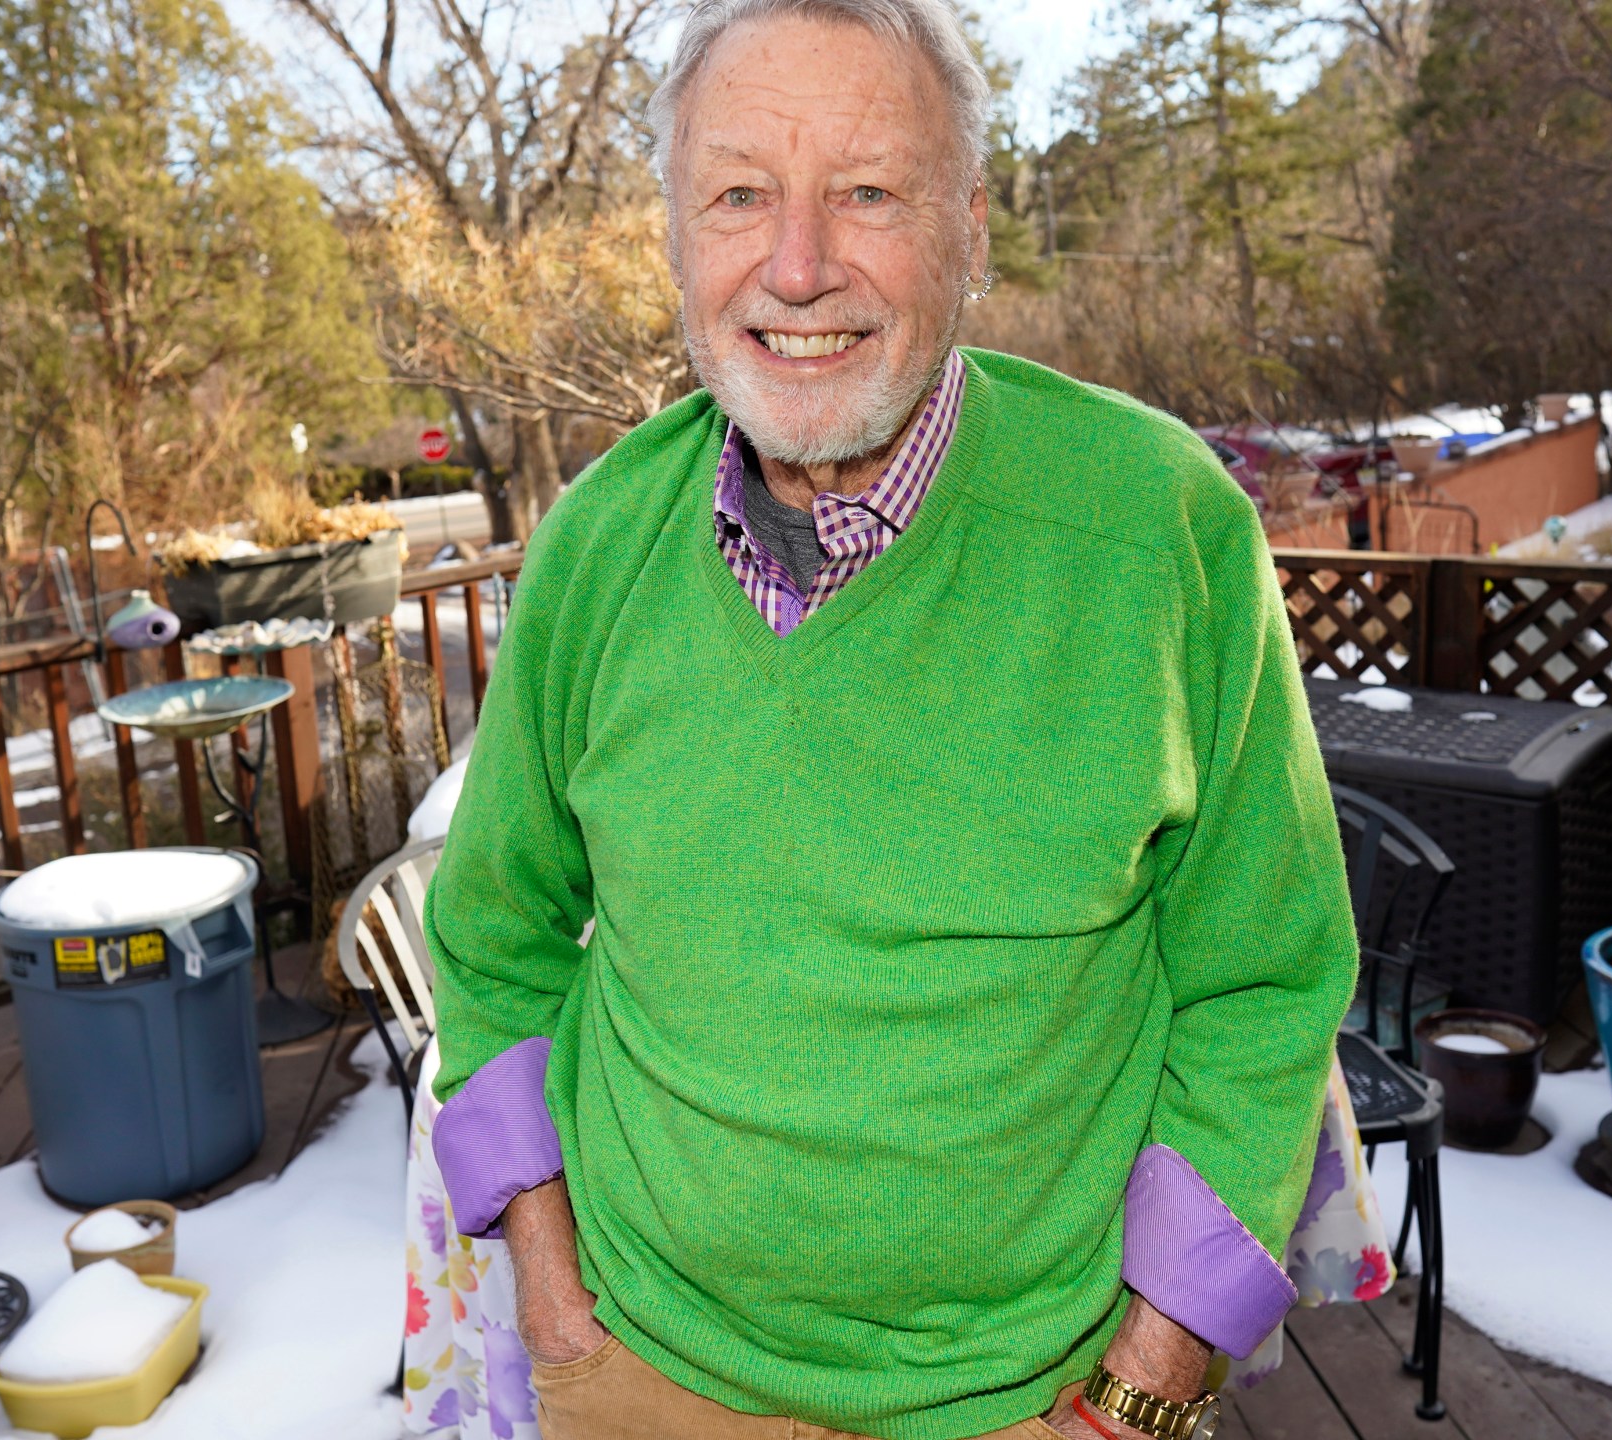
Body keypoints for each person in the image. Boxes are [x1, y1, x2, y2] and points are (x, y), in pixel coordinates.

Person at [421, 1, 1358, 1436]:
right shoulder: (596, 547)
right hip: (639, 1369)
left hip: (1040, 1397)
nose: (798, 268)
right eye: (740, 193)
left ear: (972, 229)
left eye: (868, 192)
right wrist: (554, 1305)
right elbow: (491, 935)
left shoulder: (1162, 532)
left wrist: (1147, 1391)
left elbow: (1266, 984)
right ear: (677, 234)